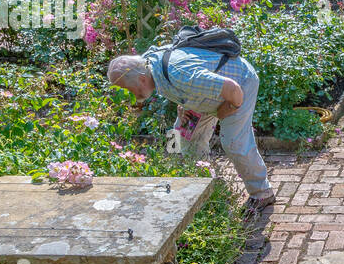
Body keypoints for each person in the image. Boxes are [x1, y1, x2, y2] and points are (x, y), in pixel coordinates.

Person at [106, 45, 276, 212]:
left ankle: (262, 193)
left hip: (239, 84)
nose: (129, 98)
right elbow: (184, 80)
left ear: (142, 79)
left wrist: (228, 108)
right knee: (181, 134)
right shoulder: (149, 65)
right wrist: (184, 101)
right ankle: (207, 183)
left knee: (233, 141)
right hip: (205, 93)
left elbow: (232, 89)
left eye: (129, 91)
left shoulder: (180, 75)